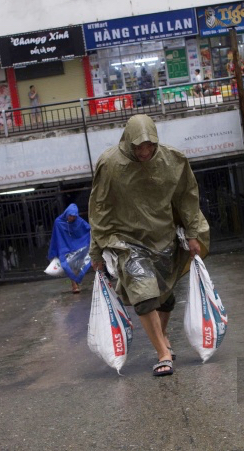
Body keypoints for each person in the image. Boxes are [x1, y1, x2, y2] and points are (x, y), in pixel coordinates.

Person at [89, 114, 210, 377]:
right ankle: (163, 354)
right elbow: (99, 209)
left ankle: (162, 335)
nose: (145, 152)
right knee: (144, 297)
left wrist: (192, 233)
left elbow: (187, 198)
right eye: (139, 147)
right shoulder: (110, 164)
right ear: (127, 142)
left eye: (150, 146)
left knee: (163, 297)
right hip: (127, 242)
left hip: (163, 237)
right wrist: (96, 250)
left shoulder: (173, 160)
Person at [48, 204, 92, 294]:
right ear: (66, 213)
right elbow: (56, 236)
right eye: (70, 216)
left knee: (77, 265)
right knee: (68, 264)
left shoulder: (79, 221)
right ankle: (74, 284)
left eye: (74, 216)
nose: (72, 218)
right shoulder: (58, 222)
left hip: (77, 246)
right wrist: (54, 250)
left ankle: (75, 283)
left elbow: (88, 229)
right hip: (64, 247)